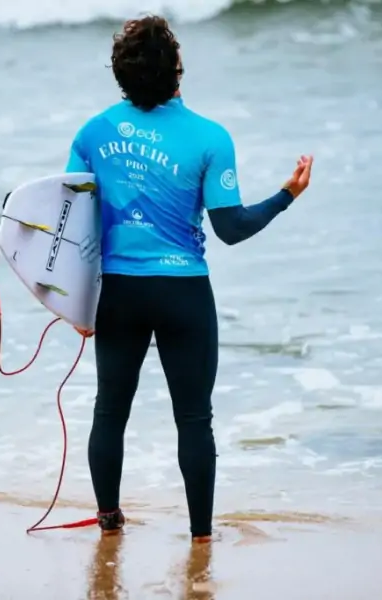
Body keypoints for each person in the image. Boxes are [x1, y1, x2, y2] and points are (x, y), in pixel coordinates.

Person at [64, 14, 314, 543]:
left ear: (120, 72)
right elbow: (232, 228)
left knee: (110, 410)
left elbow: (73, 228)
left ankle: (109, 522)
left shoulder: (92, 135)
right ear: (177, 68)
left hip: (118, 293)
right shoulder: (209, 138)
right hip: (183, 293)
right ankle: (201, 537)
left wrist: (76, 307)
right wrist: (287, 194)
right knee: (194, 419)